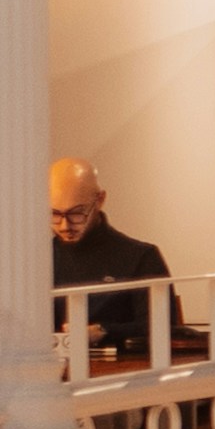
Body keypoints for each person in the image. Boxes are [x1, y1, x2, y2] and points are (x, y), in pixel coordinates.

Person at [49, 157, 183, 369]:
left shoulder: (140, 257)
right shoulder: (39, 262)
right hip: (52, 376)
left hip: (123, 376)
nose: (65, 225)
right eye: (55, 214)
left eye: (77, 213)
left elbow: (163, 326)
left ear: (100, 200)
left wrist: (103, 331)